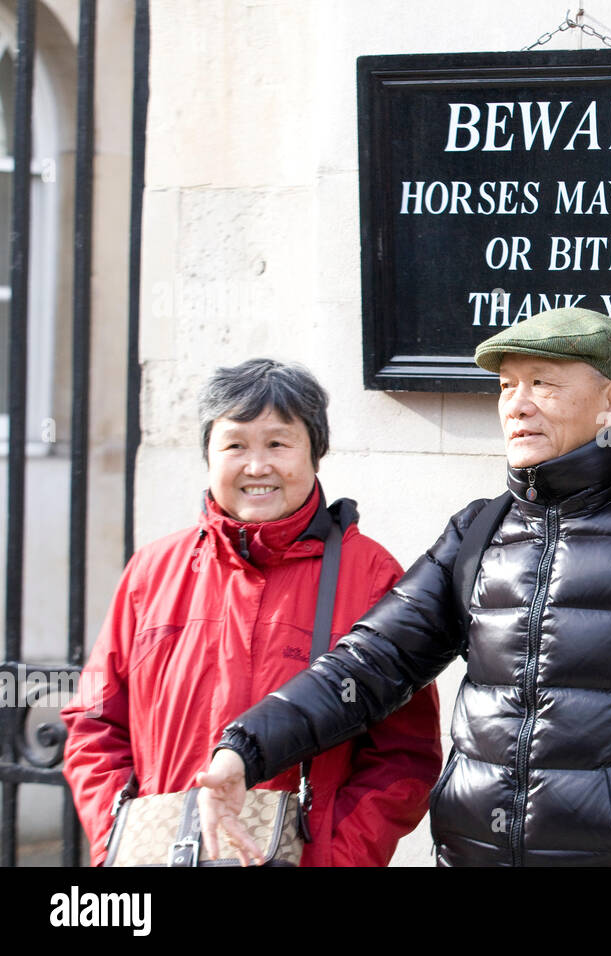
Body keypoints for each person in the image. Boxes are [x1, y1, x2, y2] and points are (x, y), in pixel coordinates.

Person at [199, 308, 611, 867]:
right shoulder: (478, 529)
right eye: (507, 386)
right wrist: (245, 750)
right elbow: (370, 663)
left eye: (542, 383)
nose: (517, 405)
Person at [60, 358, 443, 866]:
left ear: (315, 453)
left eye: (278, 444)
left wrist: (332, 857)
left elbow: (403, 755)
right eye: (235, 445)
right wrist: (119, 834)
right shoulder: (151, 571)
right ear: (208, 453)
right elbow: (94, 721)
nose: (257, 466)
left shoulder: (372, 575)